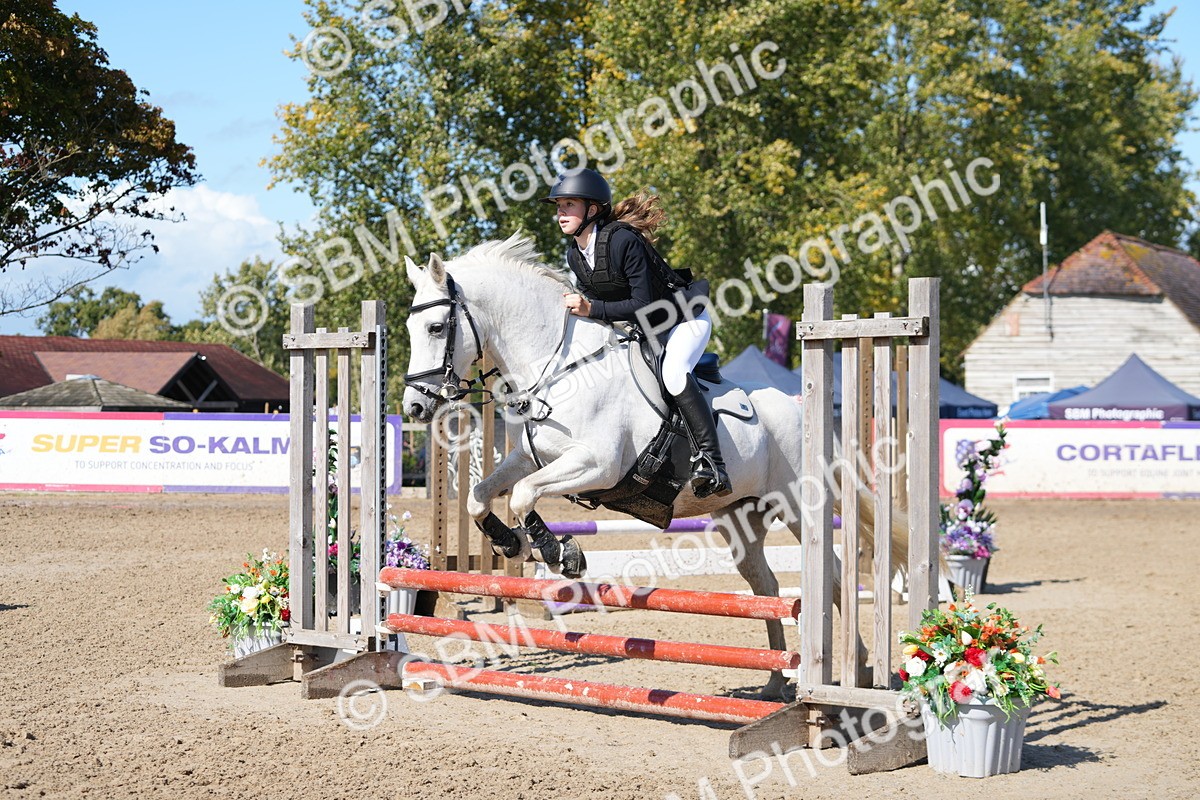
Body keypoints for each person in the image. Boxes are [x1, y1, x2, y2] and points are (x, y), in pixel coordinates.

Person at [541, 167, 731, 499]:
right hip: (645, 330)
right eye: (559, 206)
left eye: (569, 205)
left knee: (673, 373)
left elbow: (642, 304)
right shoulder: (575, 255)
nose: (561, 213)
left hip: (682, 319)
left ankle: (713, 464)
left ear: (593, 209)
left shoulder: (622, 240)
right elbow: (601, 308)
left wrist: (591, 309)